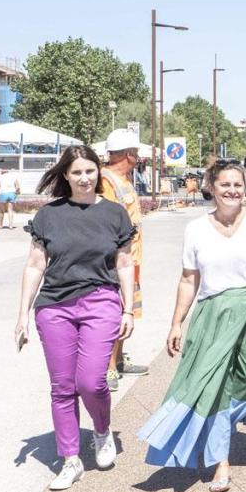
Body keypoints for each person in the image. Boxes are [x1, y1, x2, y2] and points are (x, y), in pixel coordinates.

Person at [138, 161, 246, 492]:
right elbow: (189, 279)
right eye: (225, 185)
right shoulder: (196, 229)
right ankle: (220, 459)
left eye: (238, 184)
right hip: (213, 315)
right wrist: (176, 322)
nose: (232, 190)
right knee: (217, 388)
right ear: (212, 187)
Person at [16, 145, 135, 490]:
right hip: (54, 307)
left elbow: (124, 264)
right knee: (62, 387)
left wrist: (128, 308)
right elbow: (36, 264)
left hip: (101, 301)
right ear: (65, 176)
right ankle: (70, 459)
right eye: (77, 172)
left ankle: (101, 431)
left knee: (92, 382)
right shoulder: (48, 215)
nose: (85, 178)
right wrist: (22, 313)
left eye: (90, 171)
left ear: (99, 172)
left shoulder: (115, 213)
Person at [99, 129, 148, 392]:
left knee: (127, 310)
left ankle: (118, 361)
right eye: (136, 153)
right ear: (129, 155)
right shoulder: (106, 180)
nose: (138, 158)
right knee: (116, 313)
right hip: (116, 262)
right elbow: (107, 222)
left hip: (132, 259)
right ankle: (107, 369)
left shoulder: (123, 179)